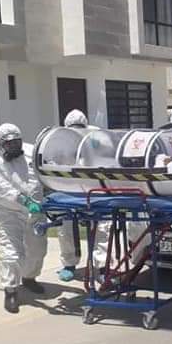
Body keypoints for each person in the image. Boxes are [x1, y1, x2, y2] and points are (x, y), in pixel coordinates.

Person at [0, 123, 48, 313]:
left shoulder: (31, 152)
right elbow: (3, 187)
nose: (14, 147)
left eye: (16, 143)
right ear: (0, 144)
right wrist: (24, 201)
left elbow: (42, 172)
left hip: (35, 209)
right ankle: (10, 290)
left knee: (37, 248)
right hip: (8, 210)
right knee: (12, 252)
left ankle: (29, 277)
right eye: (9, 144)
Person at [56, 109, 103, 282]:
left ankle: (102, 266)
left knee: (101, 227)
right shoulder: (58, 140)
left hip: (92, 190)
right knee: (66, 227)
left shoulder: (95, 137)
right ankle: (69, 264)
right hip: (69, 191)